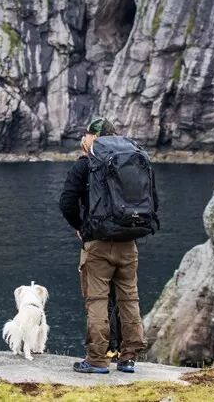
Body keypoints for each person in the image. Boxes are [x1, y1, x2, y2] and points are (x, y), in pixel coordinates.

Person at [59, 117, 157, 374]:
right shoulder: (135, 159)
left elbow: (67, 202)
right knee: (129, 298)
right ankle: (128, 357)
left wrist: (81, 227)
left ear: (94, 137)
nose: (83, 138)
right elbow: (152, 201)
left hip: (98, 243)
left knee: (97, 300)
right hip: (129, 242)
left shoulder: (85, 164)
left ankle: (97, 359)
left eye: (86, 134)